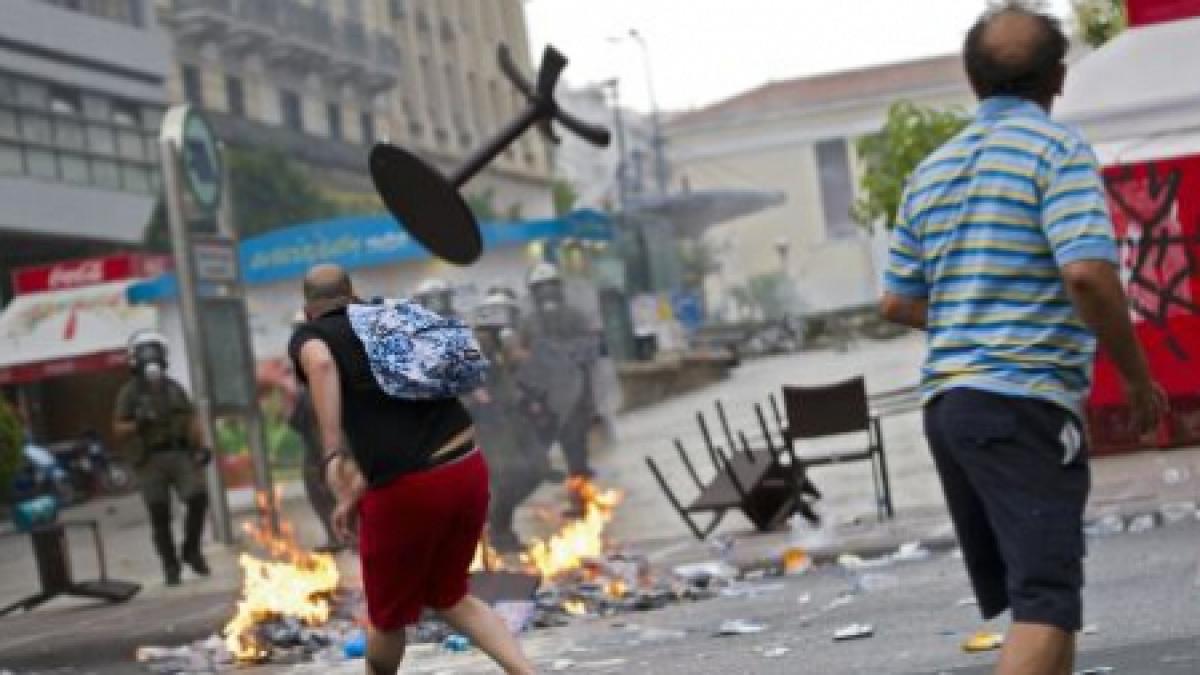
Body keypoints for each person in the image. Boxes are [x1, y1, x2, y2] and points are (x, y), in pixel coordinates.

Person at [880, 5, 1168, 674]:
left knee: (1043, 598)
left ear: (971, 78)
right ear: (1058, 78)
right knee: (1045, 601)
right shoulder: (1057, 150)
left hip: (951, 409)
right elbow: (1088, 275)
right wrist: (1133, 373)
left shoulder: (932, 170)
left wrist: (971, 314)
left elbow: (896, 298)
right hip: (1022, 405)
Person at [289, 264, 533, 675]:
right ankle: (526, 673)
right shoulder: (389, 319)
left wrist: (331, 452)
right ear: (352, 293)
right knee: (451, 596)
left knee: (387, 621)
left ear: (309, 307)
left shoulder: (313, 336)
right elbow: (399, 430)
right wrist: (355, 494)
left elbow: (322, 364)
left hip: (409, 490)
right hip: (466, 467)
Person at [113, 331, 210, 587]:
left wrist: (201, 447)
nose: (149, 358)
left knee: (197, 498)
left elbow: (191, 420)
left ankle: (191, 550)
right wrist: (138, 423)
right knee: (160, 513)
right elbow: (118, 428)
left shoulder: (175, 388)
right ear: (134, 359)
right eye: (144, 353)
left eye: (153, 351)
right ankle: (170, 563)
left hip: (179, 453)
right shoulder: (129, 393)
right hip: (149, 459)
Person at [468, 290, 549, 553]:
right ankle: (500, 534)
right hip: (488, 426)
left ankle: (494, 519)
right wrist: (476, 397)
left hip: (511, 420)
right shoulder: (477, 347)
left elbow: (511, 379)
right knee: (507, 476)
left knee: (538, 468)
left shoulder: (499, 347)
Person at [520, 262, 600, 486]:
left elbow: (589, 352)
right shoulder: (528, 323)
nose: (547, 292)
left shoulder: (575, 317)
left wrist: (563, 351)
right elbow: (522, 361)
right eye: (541, 287)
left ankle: (581, 494)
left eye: (550, 286)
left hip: (573, 393)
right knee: (540, 447)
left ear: (558, 288)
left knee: (576, 446)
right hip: (542, 395)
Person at [287, 312, 343, 553]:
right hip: (314, 448)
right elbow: (297, 420)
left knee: (340, 488)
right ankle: (335, 536)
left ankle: (347, 535)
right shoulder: (303, 373)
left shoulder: (327, 361)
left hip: (337, 445)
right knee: (317, 491)